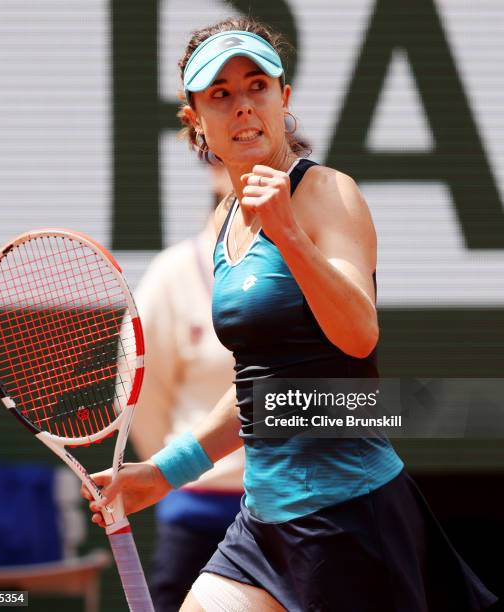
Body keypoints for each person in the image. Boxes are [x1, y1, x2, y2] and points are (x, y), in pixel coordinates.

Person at [82, 17, 498, 611]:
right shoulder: (228, 222)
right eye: (220, 94)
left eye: (257, 86)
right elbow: (260, 389)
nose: (243, 106)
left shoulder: (329, 193)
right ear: (197, 119)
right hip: (263, 524)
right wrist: (163, 472)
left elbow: (358, 337)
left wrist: (290, 235)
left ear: (284, 99)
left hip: (349, 520)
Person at [130, 163, 245, 611]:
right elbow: (142, 397)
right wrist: (178, 467)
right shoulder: (172, 273)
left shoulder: (312, 272)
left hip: (289, 513)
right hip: (197, 514)